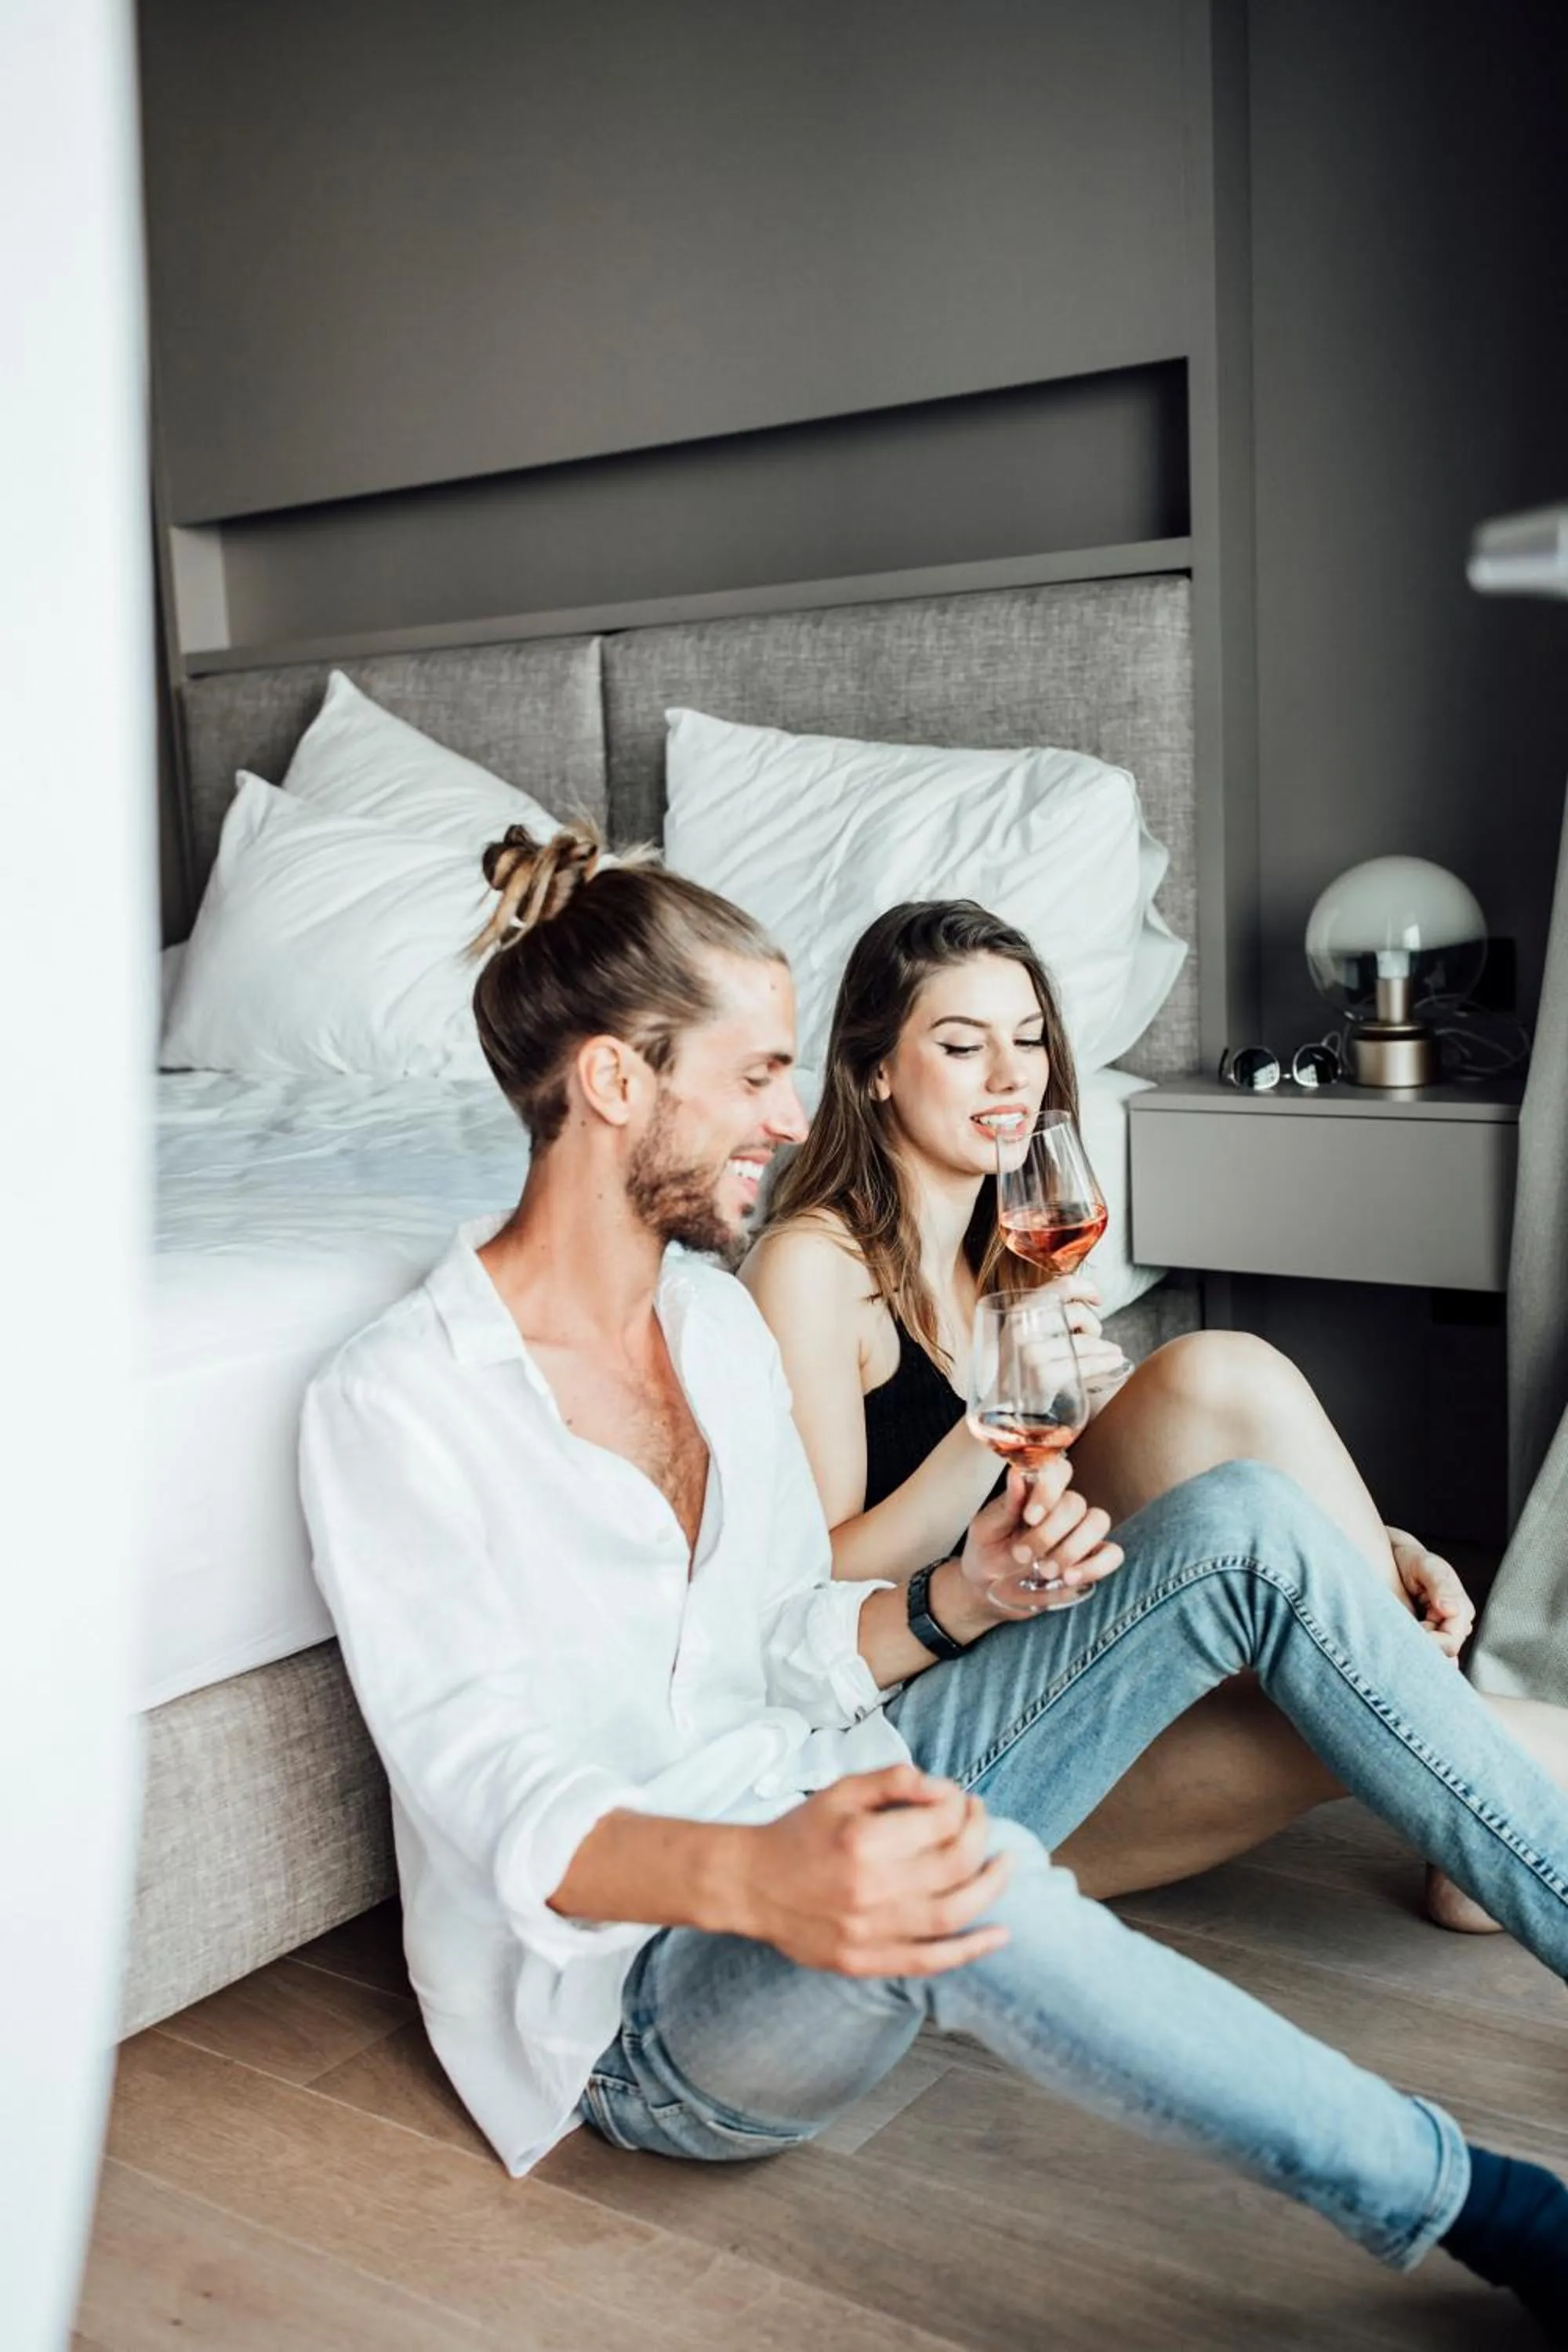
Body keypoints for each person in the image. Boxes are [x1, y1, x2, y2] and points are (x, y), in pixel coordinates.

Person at [299, 824, 1568, 2332]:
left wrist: (972, 1597)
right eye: (757, 1073)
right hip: (656, 1997)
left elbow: (789, 1626)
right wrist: (771, 1868)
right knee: (958, 1870)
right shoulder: (397, 1401)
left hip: (841, 1767)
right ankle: (1505, 2218)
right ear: (618, 1082)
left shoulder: (707, 1328)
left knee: (1243, 1525)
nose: (789, 1113)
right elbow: (487, 1782)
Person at [742, 898, 1568, 1928]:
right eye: (962, 1045)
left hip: (1047, 1635)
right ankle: (1483, 1828)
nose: (1011, 1075)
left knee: (1218, 1387)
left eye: (1030, 1040)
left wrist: (1367, 1543)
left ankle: (1471, 1822)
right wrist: (989, 1427)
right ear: (873, 1069)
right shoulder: (811, 1264)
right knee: (1330, 1683)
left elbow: (1148, 1473)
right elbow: (818, 1589)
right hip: (929, 1722)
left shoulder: (1002, 1251)